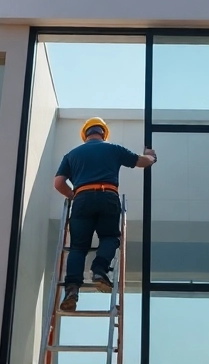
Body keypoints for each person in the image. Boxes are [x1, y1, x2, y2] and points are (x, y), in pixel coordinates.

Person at [52, 118, 157, 311]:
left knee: (78, 247)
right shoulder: (113, 149)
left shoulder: (72, 155)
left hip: (82, 198)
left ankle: (72, 289)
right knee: (109, 237)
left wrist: (73, 195)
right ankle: (99, 270)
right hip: (108, 195)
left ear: (85, 135)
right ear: (103, 133)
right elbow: (142, 162)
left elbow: (58, 183)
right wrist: (151, 156)